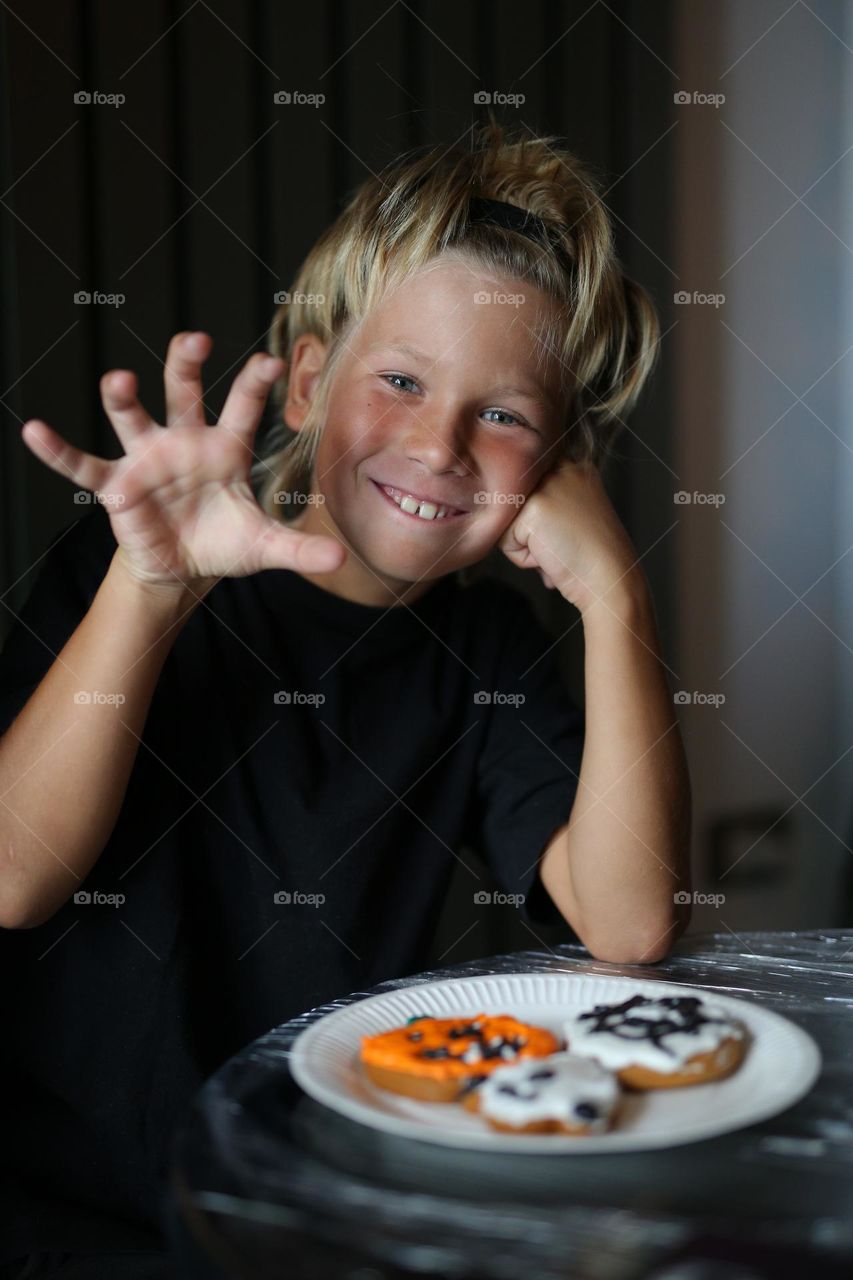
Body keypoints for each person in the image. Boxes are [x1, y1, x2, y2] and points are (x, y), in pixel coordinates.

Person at [0, 120, 692, 1275]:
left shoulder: (490, 652)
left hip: (300, 1216)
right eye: (403, 380)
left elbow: (627, 923)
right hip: (60, 1218)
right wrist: (150, 589)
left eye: (506, 414)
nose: (441, 444)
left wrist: (618, 602)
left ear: (557, 464)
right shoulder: (127, 573)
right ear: (312, 383)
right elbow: (12, 878)